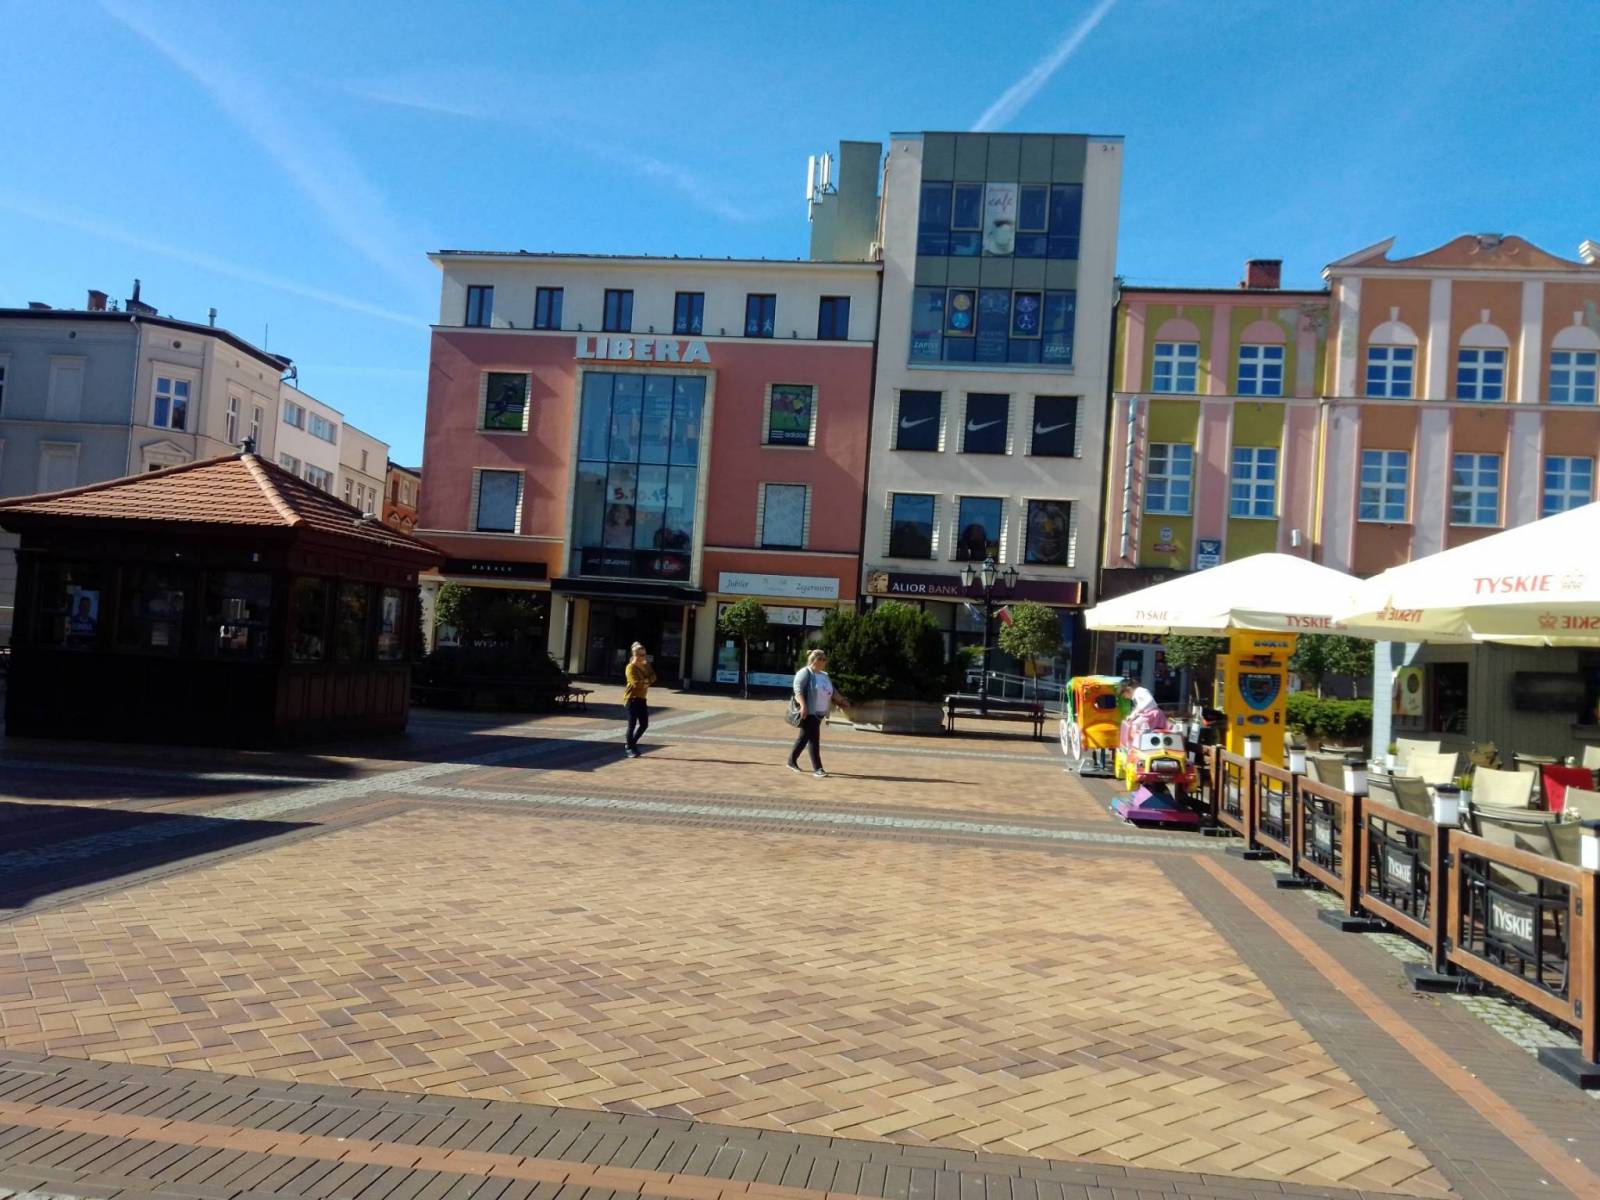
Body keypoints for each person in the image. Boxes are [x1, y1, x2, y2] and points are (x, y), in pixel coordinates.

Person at [788, 648, 834, 778]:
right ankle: (818, 768)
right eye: (821, 659)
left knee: (804, 738)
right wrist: (803, 706)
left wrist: (842, 700)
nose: (823, 661)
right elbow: (798, 691)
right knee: (814, 739)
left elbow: (832, 690)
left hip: (820, 712)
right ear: (814, 660)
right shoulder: (805, 672)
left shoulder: (824, 675)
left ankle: (791, 761)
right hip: (810, 711)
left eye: (824, 659)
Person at [622, 642, 656, 757]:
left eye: (644, 655)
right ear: (634, 655)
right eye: (640, 655)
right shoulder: (630, 667)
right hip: (631, 699)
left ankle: (631, 744)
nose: (643, 657)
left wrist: (646, 682)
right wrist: (647, 682)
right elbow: (636, 684)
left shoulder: (646, 665)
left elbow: (654, 676)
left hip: (642, 699)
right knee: (632, 724)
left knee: (644, 724)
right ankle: (629, 748)